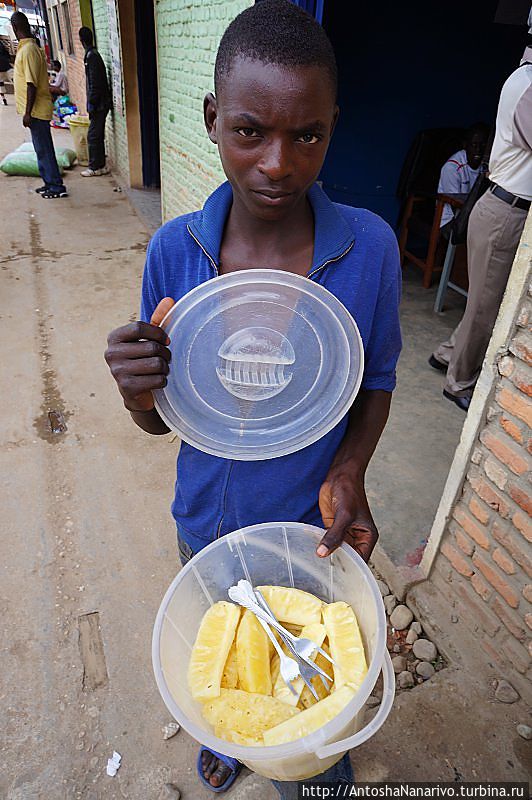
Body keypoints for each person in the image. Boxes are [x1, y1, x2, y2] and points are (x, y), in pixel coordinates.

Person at [104, 1, 401, 796]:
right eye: (250, 131)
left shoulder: (367, 247)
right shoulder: (176, 251)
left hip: (311, 532)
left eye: (307, 135)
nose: (278, 163)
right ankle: (232, 740)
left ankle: (316, 767)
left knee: (310, 688)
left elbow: (375, 380)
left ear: (333, 127)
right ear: (211, 119)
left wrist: (350, 470)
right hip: (204, 521)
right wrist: (137, 386)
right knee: (228, 662)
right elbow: (159, 420)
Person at [430, 46, 531, 411]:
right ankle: (458, 383)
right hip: (507, 210)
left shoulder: (522, 77)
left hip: (499, 206)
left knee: (480, 302)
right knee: (486, 308)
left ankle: (447, 355)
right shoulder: (529, 83)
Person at [10, 11, 67, 199]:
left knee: (44, 149)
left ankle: (56, 186)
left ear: (15, 28)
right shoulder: (27, 49)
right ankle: (48, 182)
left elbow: (31, 84)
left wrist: (27, 113)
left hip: (36, 110)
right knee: (40, 149)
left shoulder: (28, 51)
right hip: (35, 110)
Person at [437, 123, 489, 232]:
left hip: (473, 214)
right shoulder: (452, 167)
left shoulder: (485, 165)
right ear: (465, 145)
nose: (478, 149)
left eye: (482, 145)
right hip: (450, 219)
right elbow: (454, 203)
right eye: (474, 145)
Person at [79, 26, 111, 177]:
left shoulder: (91, 57)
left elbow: (95, 84)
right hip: (101, 103)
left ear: (81, 41)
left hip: (99, 104)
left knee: (93, 136)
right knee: (97, 135)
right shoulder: (93, 54)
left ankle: (95, 167)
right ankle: (101, 165)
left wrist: (91, 103)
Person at [0, 38, 13, 106]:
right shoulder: (1, 43)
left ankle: (3, 99)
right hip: (6, 66)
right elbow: (7, 54)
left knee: (1, 84)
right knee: (14, 80)